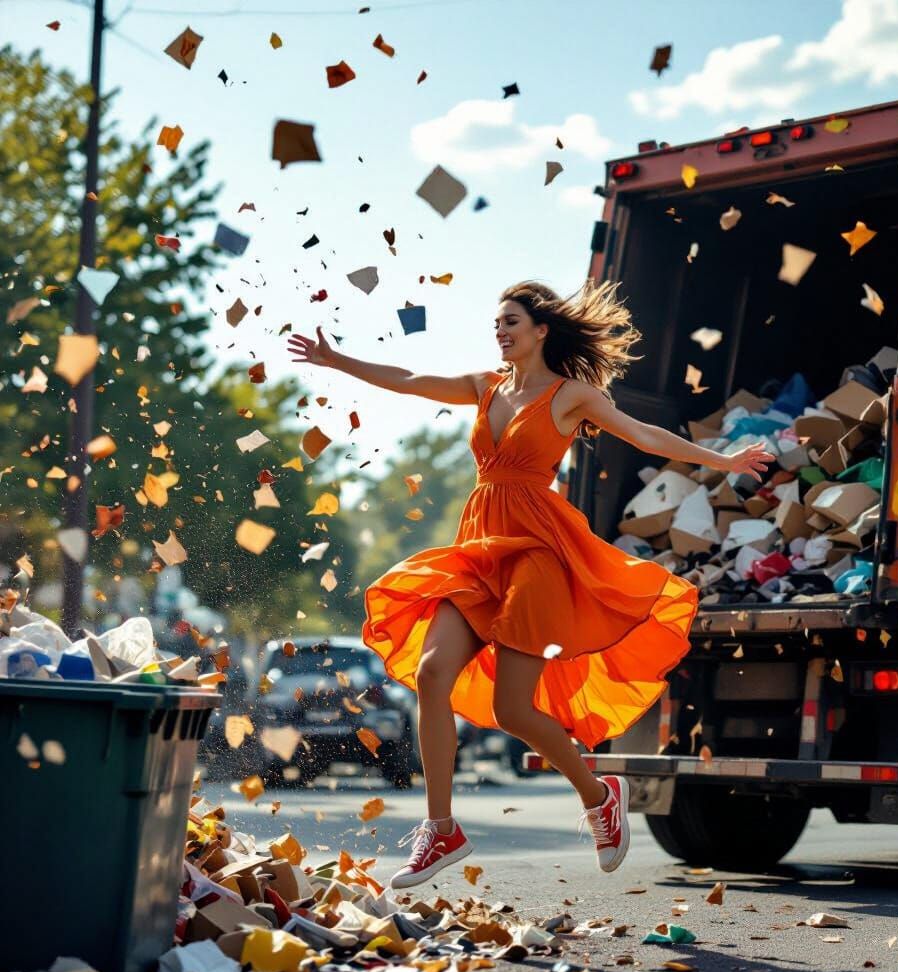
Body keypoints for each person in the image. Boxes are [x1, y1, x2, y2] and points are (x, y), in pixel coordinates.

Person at [287, 279, 774, 889]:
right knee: (433, 674)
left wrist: (723, 462)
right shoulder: (483, 386)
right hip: (478, 549)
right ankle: (441, 830)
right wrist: (338, 360)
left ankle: (599, 796)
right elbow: (409, 380)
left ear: (541, 331)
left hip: (538, 553)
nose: (501, 330)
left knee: (511, 708)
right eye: (497, 322)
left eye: (511, 321)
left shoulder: (572, 395)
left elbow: (644, 434)